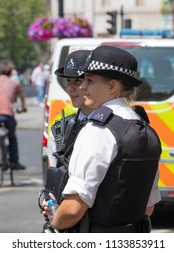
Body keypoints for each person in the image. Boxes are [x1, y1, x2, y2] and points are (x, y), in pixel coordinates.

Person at [43, 45, 162, 232]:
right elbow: (148, 206)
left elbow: (73, 208)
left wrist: (53, 228)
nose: (82, 86)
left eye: (89, 80)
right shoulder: (146, 129)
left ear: (112, 86)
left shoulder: (98, 129)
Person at [47, 50, 93, 167]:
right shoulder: (59, 129)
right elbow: (54, 173)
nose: (71, 88)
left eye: (78, 81)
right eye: (68, 81)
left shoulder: (114, 125)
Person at [0, 60, 27, 170]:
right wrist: (23, 108)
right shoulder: (14, 83)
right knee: (12, 136)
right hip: (7, 114)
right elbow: (22, 97)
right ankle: (14, 161)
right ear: (11, 72)